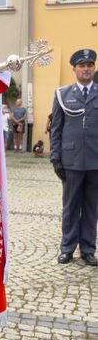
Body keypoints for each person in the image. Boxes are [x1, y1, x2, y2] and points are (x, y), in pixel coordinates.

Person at [50, 48, 98, 267]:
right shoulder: (63, 94)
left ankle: (88, 249)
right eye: (82, 66)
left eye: (89, 65)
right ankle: (67, 248)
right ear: (74, 69)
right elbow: (56, 130)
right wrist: (55, 158)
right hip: (71, 161)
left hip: (95, 161)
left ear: (93, 68)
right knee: (70, 207)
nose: (86, 69)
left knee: (91, 207)